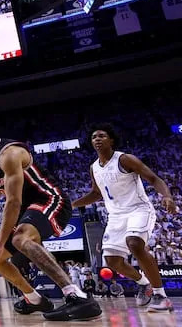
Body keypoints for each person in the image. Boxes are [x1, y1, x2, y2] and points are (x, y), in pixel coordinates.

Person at [0, 113, 101, 321]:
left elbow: (13, 202)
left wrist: (0, 242)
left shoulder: (10, 153)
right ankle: (33, 298)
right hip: (27, 207)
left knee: (20, 239)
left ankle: (77, 296)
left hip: (49, 199)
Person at [71, 123, 177, 313]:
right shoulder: (94, 167)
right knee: (112, 261)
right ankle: (145, 284)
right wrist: (72, 204)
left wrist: (167, 196)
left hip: (138, 209)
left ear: (111, 140)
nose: (97, 139)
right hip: (116, 215)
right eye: (94, 137)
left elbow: (153, 178)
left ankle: (161, 296)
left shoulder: (125, 159)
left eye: (101, 136)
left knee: (134, 243)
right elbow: (97, 193)